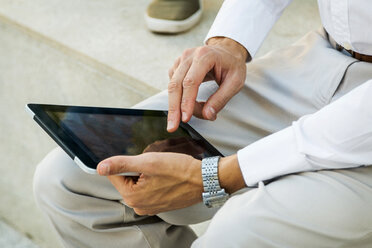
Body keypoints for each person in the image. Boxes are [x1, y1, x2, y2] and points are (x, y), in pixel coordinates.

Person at [34, 0, 372, 247]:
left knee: (235, 237)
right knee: (66, 180)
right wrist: (230, 42)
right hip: (322, 56)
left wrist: (216, 176)